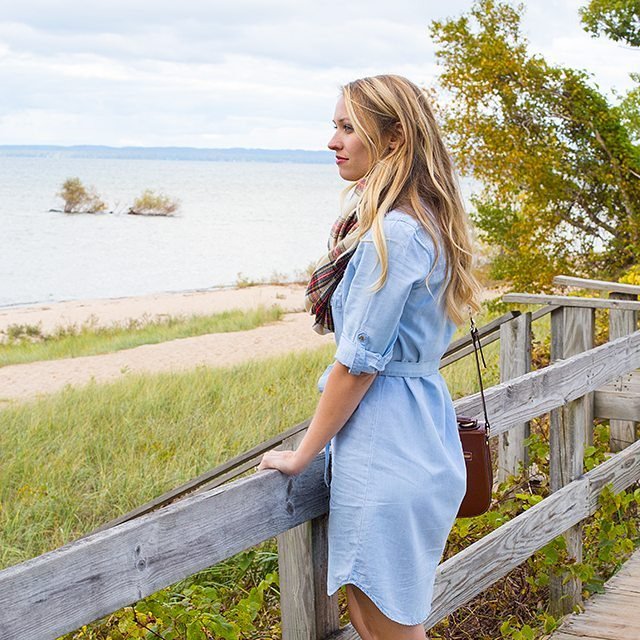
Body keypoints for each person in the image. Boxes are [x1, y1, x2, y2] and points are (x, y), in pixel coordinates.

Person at [257, 74, 482, 639]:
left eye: (347, 127)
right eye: (334, 125)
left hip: (387, 448)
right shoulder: (426, 220)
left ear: (395, 138)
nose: (332, 141)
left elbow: (357, 366)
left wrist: (302, 455)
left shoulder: (395, 234)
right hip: (418, 434)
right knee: (382, 623)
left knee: (385, 628)